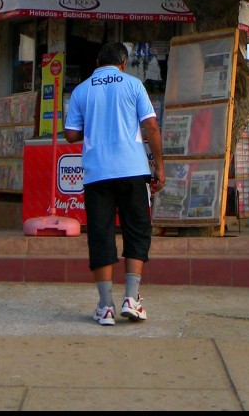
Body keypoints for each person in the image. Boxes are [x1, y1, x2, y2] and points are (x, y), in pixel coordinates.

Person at [64, 41, 165, 326]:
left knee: (100, 234)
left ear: (97, 61)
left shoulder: (82, 90)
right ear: (123, 63)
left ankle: (105, 306)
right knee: (136, 230)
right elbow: (152, 127)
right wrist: (159, 165)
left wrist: (93, 124)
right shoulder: (134, 85)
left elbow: (71, 134)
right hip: (133, 171)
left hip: (97, 174)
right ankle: (131, 299)